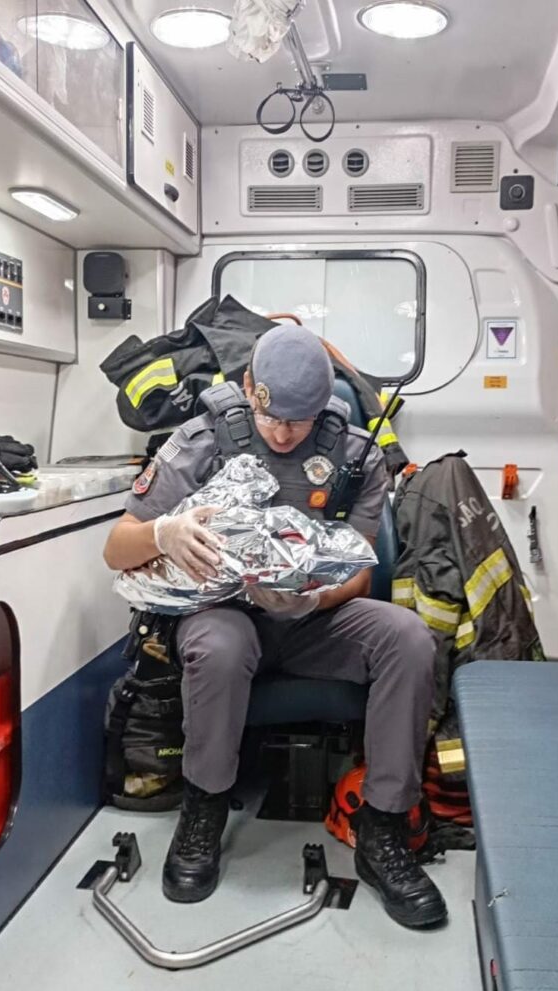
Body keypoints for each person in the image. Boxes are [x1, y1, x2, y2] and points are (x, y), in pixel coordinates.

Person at [104, 324, 446, 929]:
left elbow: (361, 573)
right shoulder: (201, 442)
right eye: (273, 418)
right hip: (225, 616)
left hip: (314, 620)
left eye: (300, 421)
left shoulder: (354, 455)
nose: (285, 434)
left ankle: (383, 830)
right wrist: (164, 533)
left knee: (409, 638)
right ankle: (203, 811)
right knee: (219, 644)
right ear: (248, 387)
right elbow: (115, 549)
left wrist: (310, 599)